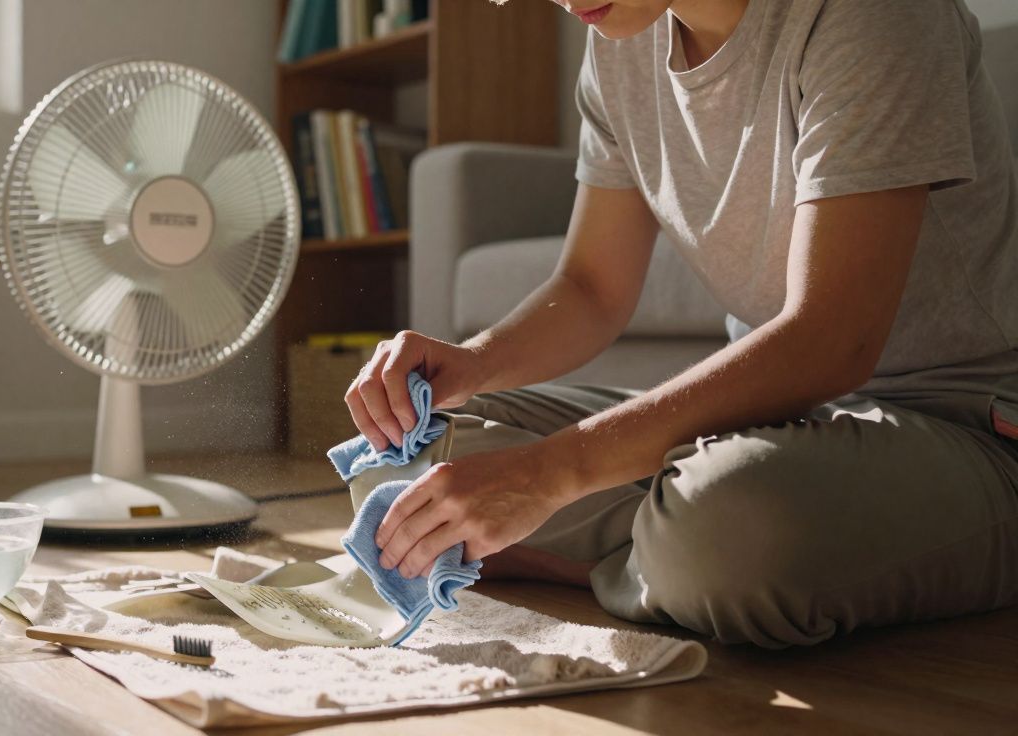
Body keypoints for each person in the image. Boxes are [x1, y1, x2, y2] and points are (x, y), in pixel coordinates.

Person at [344, 0, 1018, 648]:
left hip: (965, 428)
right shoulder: (620, 38)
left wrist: (548, 475)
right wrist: (475, 362)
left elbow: (831, 343)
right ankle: (667, 554)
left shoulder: (870, 14)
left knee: (726, 529)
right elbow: (591, 287)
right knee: (406, 463)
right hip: (770, 426)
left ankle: (668, 552)